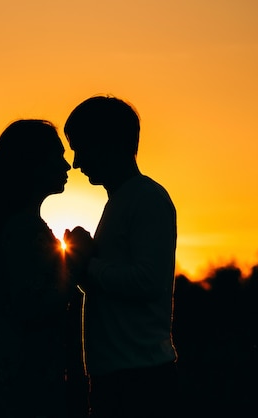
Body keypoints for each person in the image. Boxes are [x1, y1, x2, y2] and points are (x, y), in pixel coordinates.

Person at [63, 96, 180, 418]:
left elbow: (148, 282)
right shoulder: (122, 200)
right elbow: (108, 287)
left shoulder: (147, 198)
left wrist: (87, 264)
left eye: (81, 147)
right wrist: (80, 264)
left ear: (108, 143)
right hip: (116, 374)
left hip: (140, 377)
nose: (75, 162)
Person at [0, 119, 84, 418]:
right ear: (31, 164)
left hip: (22, 378)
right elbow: (33, 307)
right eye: (56, 156)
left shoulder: (25, 226)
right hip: (13, 383)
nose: (66, 165)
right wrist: (75, 263)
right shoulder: (21, 229)